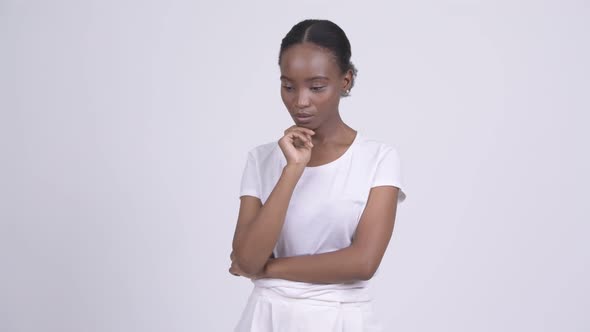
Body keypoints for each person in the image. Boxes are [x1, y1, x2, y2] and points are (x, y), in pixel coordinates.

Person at [229, 19, 407, 331]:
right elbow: (246, 260)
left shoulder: (378, 159)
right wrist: (293, 169)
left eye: (316, 87)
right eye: (288, 86)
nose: (300, 101)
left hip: (342, 319)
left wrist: (266, 268)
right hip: (267, 318)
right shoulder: (261, 159)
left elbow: (363, 262)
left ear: (346, 80)